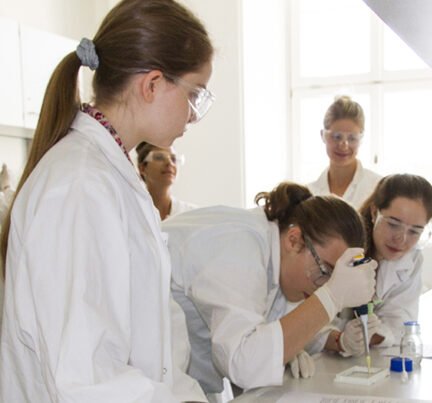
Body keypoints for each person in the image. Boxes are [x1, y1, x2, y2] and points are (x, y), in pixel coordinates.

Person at [0, 0, 215, 401]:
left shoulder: (112, 175)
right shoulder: (79, 184)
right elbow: (86, 378)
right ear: (152, 84)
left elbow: (157, 349)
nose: (193, 116)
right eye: (195, 94)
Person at [162, 182, 377, 397]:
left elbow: (283, 322)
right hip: (151, 380)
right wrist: (332, 296)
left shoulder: (279, 262)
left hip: (184, 381)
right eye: (325, 271)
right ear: (294, 240)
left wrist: (337, 341)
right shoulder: (239, 246)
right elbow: (244, 363)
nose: (321, 286)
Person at [316, 174, 432, 357]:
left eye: (414, 231)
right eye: (393, 224)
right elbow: (308, 315)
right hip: (318, 358)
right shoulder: (341, 247)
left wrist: (373, 335)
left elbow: (401, 321)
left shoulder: (411, 259)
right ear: (374, 213)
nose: (401, 239)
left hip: (361, 358)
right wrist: (340, 340)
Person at [307, 95, 382, 209]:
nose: (344, 145)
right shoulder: (310, 192)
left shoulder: (377, 187)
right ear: (323, 135)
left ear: (361, 139)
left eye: (352, 138)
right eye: (337, 137)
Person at [136, 141, 197, 220]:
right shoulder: (131, 213)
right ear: (142, 168)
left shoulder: (192, 215)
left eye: (173, 159)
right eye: (159, 157)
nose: (169, 163)